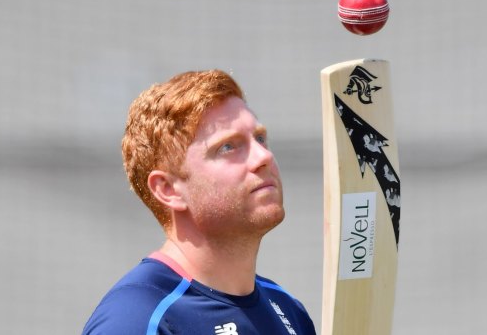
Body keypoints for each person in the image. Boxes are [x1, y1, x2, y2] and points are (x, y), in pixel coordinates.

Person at [83, 70, 316, 335]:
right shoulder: (135, 319)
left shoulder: (287, 309)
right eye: (228, 147)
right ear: (169, 189)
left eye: (260, 138)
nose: (263, 156)